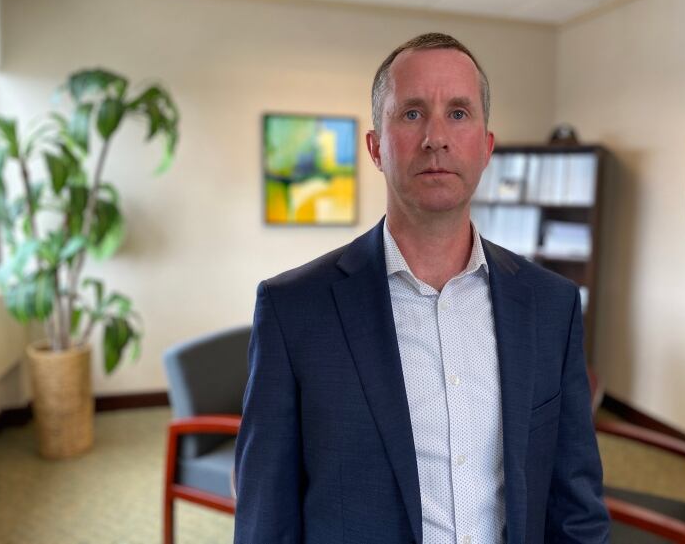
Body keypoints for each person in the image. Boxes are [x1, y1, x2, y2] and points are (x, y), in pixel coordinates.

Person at [234, 32, 610, 544]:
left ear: (486, 146)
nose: (437, 136)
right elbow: (265, 522)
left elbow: (575, 507)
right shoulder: (294, 311)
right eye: (411, 113)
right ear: (375, 147)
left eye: (459, 113)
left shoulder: (550, 305)